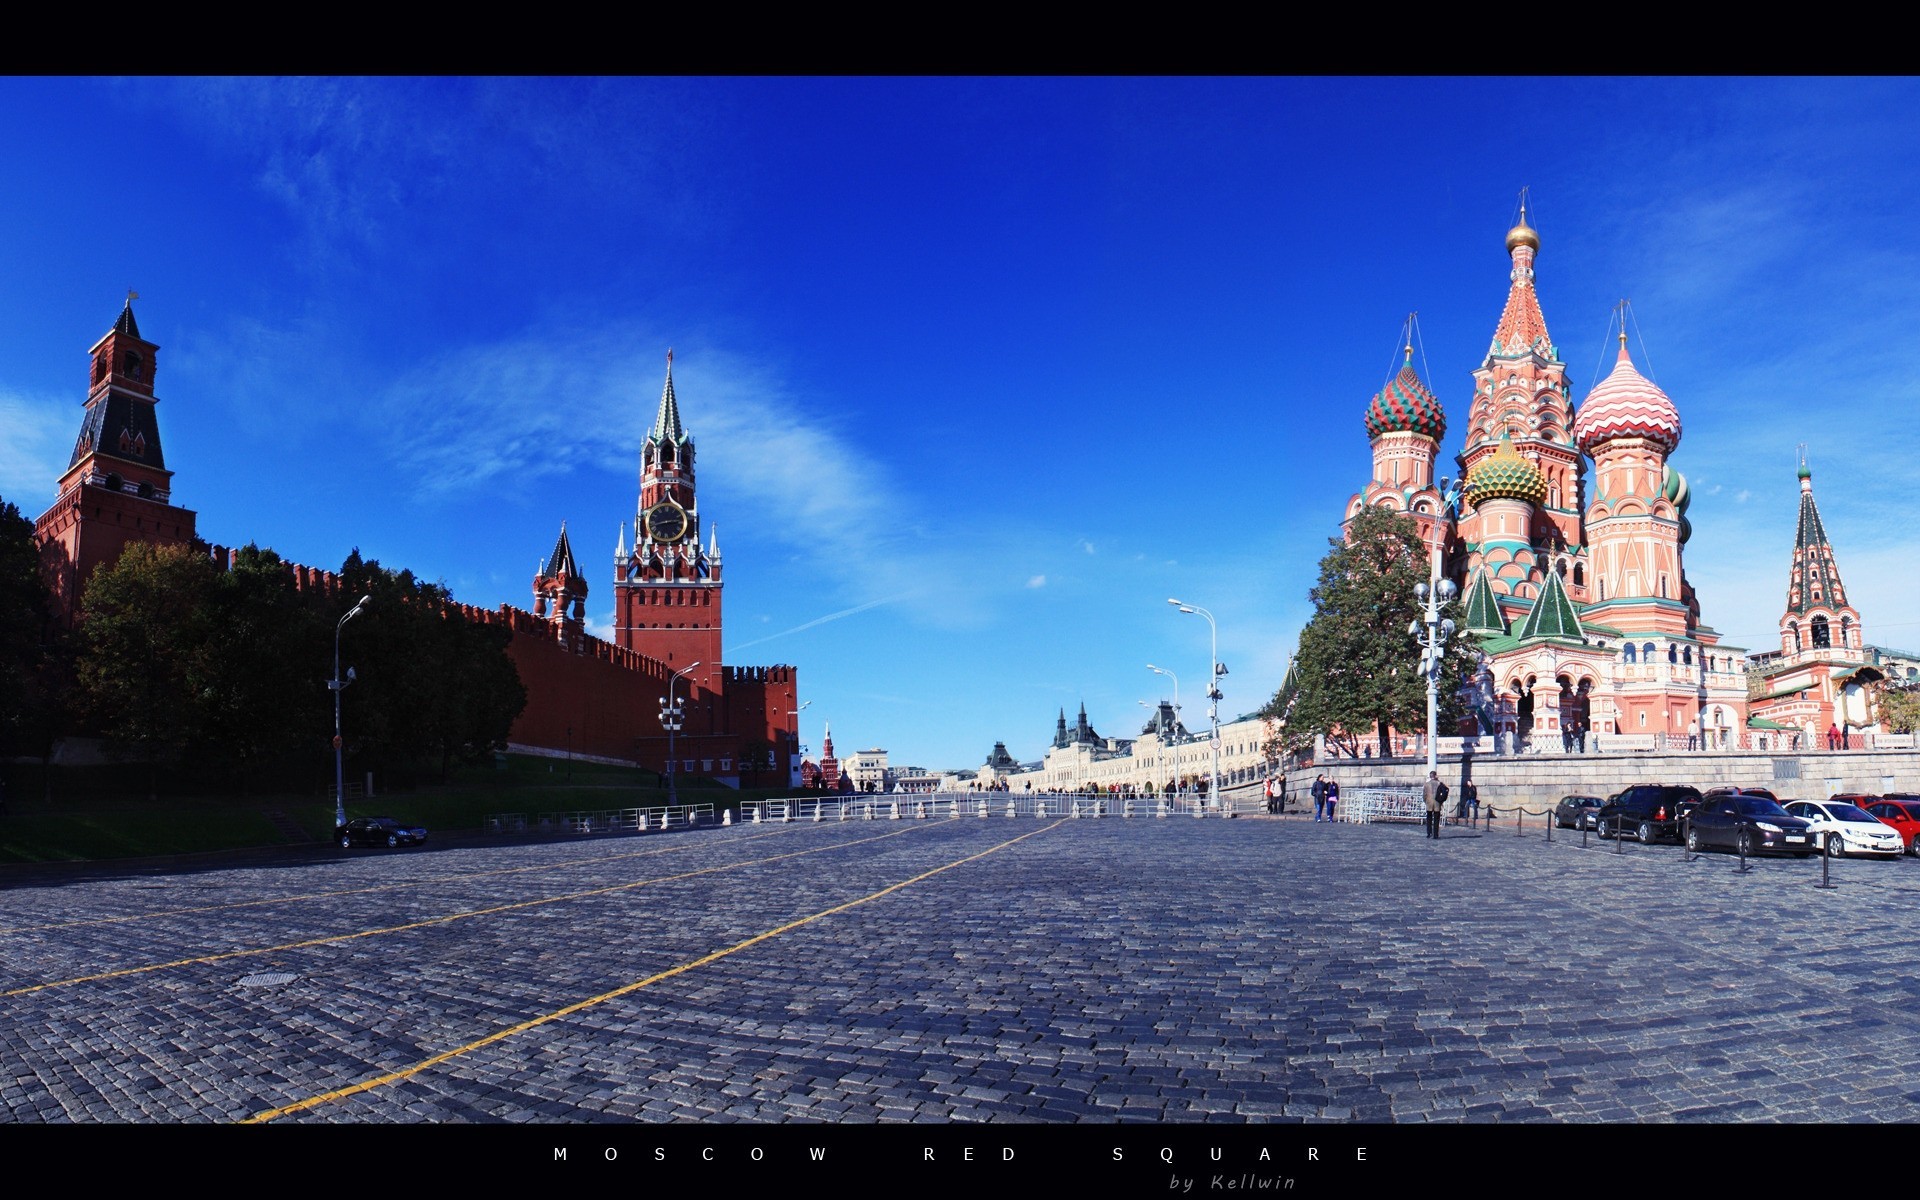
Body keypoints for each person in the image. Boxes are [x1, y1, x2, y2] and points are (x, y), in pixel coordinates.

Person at [1423, 771, 1442, 839]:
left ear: (1430, 776)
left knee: (1429, 819)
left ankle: (1429, 833)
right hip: (1437, 803)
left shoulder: (1426, 784)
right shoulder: (1439, 783)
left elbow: (1424, 795)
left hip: (1429, 803)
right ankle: (1436, 834)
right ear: (1435, 776)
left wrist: (1426, 801)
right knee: (1436, 820)